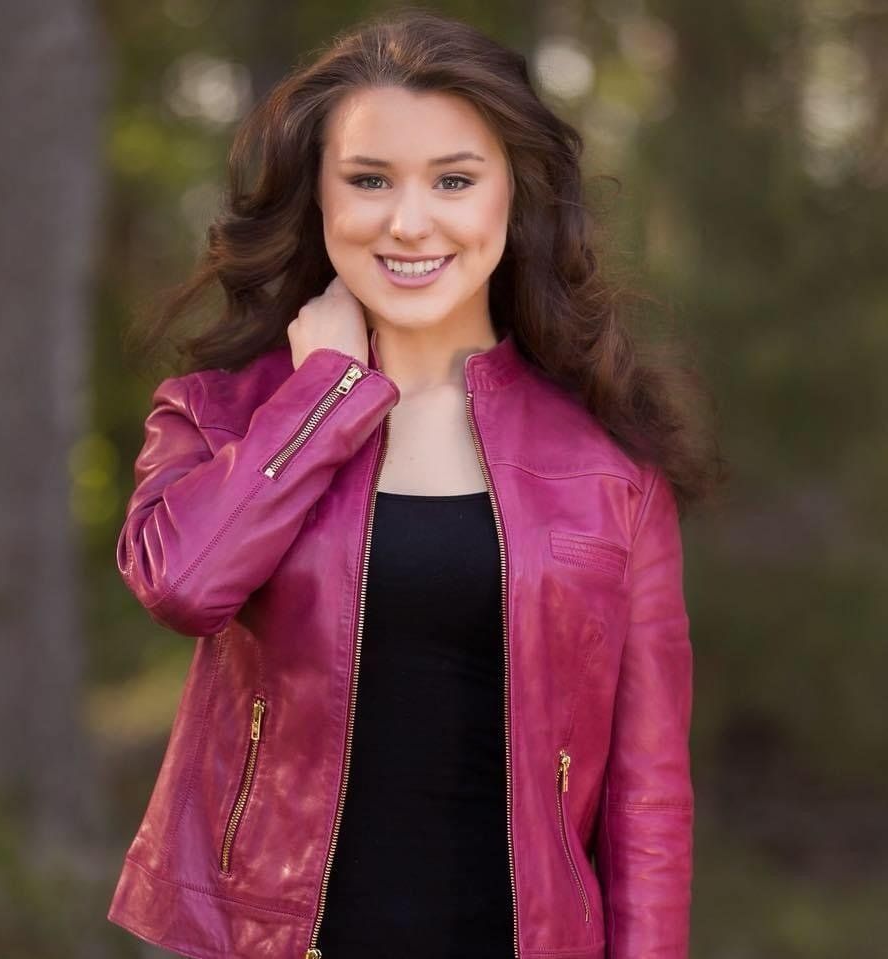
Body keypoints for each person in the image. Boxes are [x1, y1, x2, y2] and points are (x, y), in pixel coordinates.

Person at [107, 8, 725, 959]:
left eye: (452, 180)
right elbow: (183, 585)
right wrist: (322, 398)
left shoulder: (610, 469)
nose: (408, 220)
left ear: (512, 200)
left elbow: (648, 798)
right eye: (368, 180)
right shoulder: (224, 416)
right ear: (318, 200)